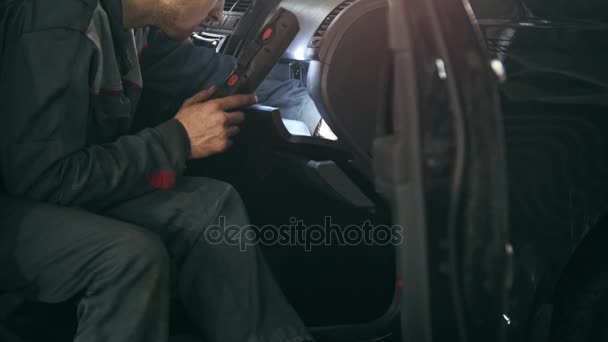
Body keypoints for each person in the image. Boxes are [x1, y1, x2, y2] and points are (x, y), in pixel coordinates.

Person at [0, 0, 316, 341]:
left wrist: (313, 104)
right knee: (130, 256)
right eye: (216, 0)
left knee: (211, 207)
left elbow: (221, 76)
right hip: (17, 203)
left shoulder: (137, 31)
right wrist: (177, 140)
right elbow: (41, 180)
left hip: (60, 184)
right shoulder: (57, 23)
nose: (218, 15)